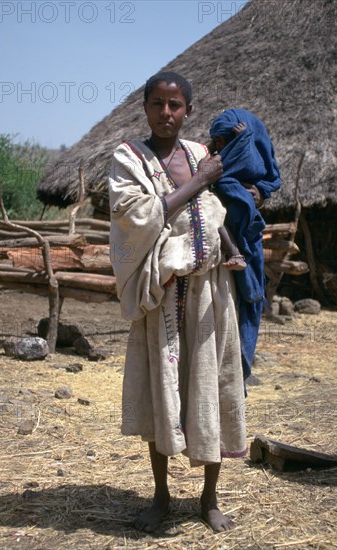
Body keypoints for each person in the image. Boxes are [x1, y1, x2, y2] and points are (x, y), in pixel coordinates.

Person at [108, 73, 247, 533]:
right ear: (145, 107)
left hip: (208, 293)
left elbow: (211, 209)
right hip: (160, 293)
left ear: (188, 109)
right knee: (160, 390)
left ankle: (209, 498)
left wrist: (230, 247)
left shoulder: (197, 154)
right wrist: (200, 181)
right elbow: (139, 216)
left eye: (176, 105)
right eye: (157, 104)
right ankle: (162, 497)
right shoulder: (127, 159)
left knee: (212, 385)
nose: (166, 114)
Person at [208, 108, 282, 390]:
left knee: (243, 307)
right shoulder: (208, 166)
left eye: (232, 141)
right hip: (213, 261)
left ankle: (238, 372)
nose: (223, 148)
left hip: (244, 257)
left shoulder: (258, 179)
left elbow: (268, 180)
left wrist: (259, 195)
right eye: (220, 142)